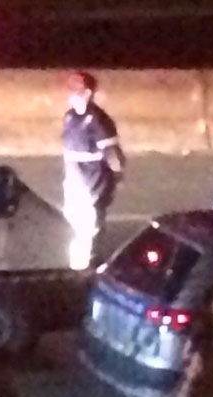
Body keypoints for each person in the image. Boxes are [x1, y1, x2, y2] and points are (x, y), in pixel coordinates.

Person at [62, 70, 126, 271]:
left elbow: (113, 155)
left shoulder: (99, 120)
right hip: (74, 185)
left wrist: (118, 175)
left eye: (76, 90)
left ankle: (91, 270)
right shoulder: (69, 117)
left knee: (90, 232)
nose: (71, 94)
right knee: (74, 231)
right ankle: (78, 269)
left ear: (88, 93)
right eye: (70, 89)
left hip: (93, 186)